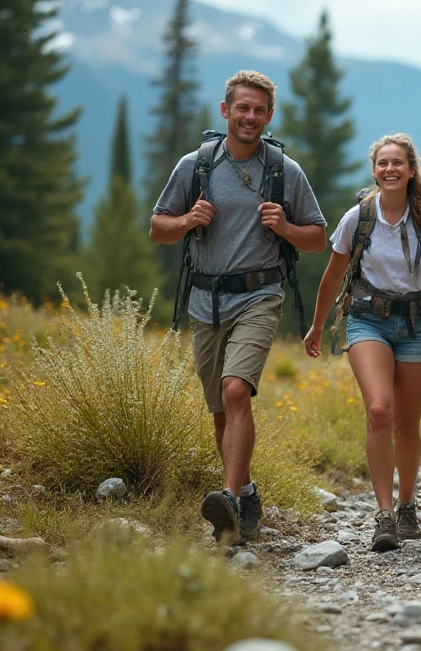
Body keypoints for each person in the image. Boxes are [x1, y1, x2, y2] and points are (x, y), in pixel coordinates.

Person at [150, 70, 326, 546]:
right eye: (243, 108)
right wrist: (188, 219)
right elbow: (157, 228)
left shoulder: (284, 171)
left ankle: (226, 497)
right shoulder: (196, 165)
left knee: (234, 391)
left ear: (270, 116)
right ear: (225, 111)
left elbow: (317, 238)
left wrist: (286, 227)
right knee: (220, 411)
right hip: (204, 298)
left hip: (259, 294)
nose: (251, 117)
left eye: (260, 110)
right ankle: (245, 494)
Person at [304, 133, 421, 552]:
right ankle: (383, 516)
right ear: (374, 170)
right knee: (379, 410)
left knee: (406, 424)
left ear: (412, 170)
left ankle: (407, 504)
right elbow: (333, 275)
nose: (390, 170)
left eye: (398, 163)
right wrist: (317, 325)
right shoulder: (358, 218)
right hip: (368, 320)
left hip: (420, 322)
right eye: (383, 163)